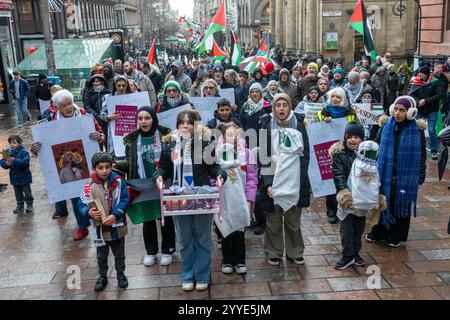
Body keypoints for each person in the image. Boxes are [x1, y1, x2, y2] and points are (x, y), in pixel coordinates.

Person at [155, 110, 227, 291]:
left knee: (203, 239)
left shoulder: (205, 144)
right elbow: (163, 168)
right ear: (177, 125)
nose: (185, 126)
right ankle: (188, 274)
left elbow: (215, 167)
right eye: (182, 122)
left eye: (189, 122)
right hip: (179, 198)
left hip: (201, 196)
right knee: (185, 239)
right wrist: (159, 177)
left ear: (196, 125)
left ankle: (203, 274)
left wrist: (220, 176)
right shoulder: (169, 145)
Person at [31, 89, 105, 241]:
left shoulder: (85, 116)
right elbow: (40, 145)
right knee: (75, 195)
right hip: (65, 164)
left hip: (87, 161)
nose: (68, 107)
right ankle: (83, 226)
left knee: (94, 192)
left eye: (70, 103)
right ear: (57, 108)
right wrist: (35, 148)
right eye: (64, 105)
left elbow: (100, 133)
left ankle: (102, 221)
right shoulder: (49, 122)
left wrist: (98, 136)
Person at [114, 107, 175, 267]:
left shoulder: (165, 135)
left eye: (147, 118)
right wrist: (116, 165)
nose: (143, 121)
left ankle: (168, 250)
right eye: (140, 118)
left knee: (165, 218)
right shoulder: (133, 139)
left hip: (163, 182)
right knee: (147, 218)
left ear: (153, 119)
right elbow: (130, 162)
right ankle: (151, 251)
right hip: (142, 185)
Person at [367, 96, 426, 247]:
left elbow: (421, 156)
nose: (398, 113)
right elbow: (377, 147)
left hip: (404, 175)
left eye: (402, 110)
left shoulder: (417, 131)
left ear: (410, 112)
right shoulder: (386, 126)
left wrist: (420, 174)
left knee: (397, 202)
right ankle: (378, 232)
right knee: (382, 201)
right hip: (385, 172)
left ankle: (395, 235)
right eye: (396, 109)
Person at [259, 93, 310, 266]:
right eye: (278, 105)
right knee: (273, 221)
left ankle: (295, 251)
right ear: (273, 107)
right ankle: (273, 251)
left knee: (293, 221)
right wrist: (267, 183)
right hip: (273, 180)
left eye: (285, 105)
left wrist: (300, 180)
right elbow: (264, 157)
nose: (281, 108)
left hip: (294, 180)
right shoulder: (266, 124)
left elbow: (305, 155)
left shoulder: (299, 124)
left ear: (290, 107)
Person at [330, 122, 380, 269]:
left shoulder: (368, 155)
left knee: (358, 228)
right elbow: (338, 175)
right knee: (346, 229)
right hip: (348, 199)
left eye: (356, 137)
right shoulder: (339, 155)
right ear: (345, 138)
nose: (353, 140)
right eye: (350, 137)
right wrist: (344, 193)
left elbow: (374, 176)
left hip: (362, 199)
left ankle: (355, 253)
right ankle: (347, 255)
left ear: (362, 139)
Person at [79, 152, 129, 291]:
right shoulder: (88, 186)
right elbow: (81, 204)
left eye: (107, 167)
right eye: (100, 168)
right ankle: (102, 276)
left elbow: (125, 200)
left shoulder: (119, 182)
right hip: (99, 229)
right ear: (93, 168)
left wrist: (115, 215)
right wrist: (88, 212)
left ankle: (121, 274)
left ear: (112, 166)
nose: (105, 170)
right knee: (101, 254)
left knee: (119, 253)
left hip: (117, 226)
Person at [215, 122, 257, 274]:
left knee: (239, 231)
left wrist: (249, 198)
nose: (232, 139)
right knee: (227, 230)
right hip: (225, 199)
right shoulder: (217, 154)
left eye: (235, 135)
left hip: (241, 199)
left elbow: (252, 178)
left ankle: (240, 260)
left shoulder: (246, 153)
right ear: (223, 136)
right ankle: (227, 261)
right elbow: (213, 178)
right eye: (229, 135)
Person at [317, 87, 359, 224]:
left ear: (343, 100)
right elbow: (315, 129)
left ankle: (346, 205)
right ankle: (331, 210)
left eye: (338, 97)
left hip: (346, 152)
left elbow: (357, 129)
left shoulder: (351, 112)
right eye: (333, 96)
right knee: (330, 181)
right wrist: (324, 121)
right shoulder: (323, 112)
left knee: (345, 179)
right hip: (328, 152)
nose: (335, 99)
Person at [409, 65, 443, 160]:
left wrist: (426, 100)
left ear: (427, 74)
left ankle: (434, 151)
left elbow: (439, 95)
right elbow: (412, 94)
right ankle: (417, 149)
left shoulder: (435, 81)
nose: (419, 74)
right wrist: (417, 101)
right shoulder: (416, 81)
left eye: (422, 73)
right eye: (419, 73)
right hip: (420, 110)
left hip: (432, 109)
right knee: (418, 130)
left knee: (431, 130)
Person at [99, 76, 132, 155]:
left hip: (130, 129)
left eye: (123, 85)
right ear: (115, 85)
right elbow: (101, 114)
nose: (121, 87)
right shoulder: (108, 98)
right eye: (118, 85)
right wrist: (108, 117)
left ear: (127, 85)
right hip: (114, 130)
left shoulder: (133, 97)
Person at [0, 135, 33, 214]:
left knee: (27, 192)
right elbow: (3, 163)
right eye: (10, 143)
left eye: (14, 143)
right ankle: (20, 205)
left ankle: (29, 204)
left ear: (19, 143)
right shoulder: (7, 151)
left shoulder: (23, 152)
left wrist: (14, 160)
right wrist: (6, 164)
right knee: (17, 193)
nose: (12, 145)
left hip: (24, 176)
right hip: (14, 177)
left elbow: (25, 163)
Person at [83, 74, 111, 141]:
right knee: (97, 140)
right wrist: (96, 116)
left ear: (102, 82)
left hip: (105, 120)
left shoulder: (107, 91)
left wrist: (104, 116)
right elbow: (87, 106)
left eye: (97, 81)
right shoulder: (88, 92)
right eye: (94, 81)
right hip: (93, 119)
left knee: (107, 139)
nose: (95, 83)